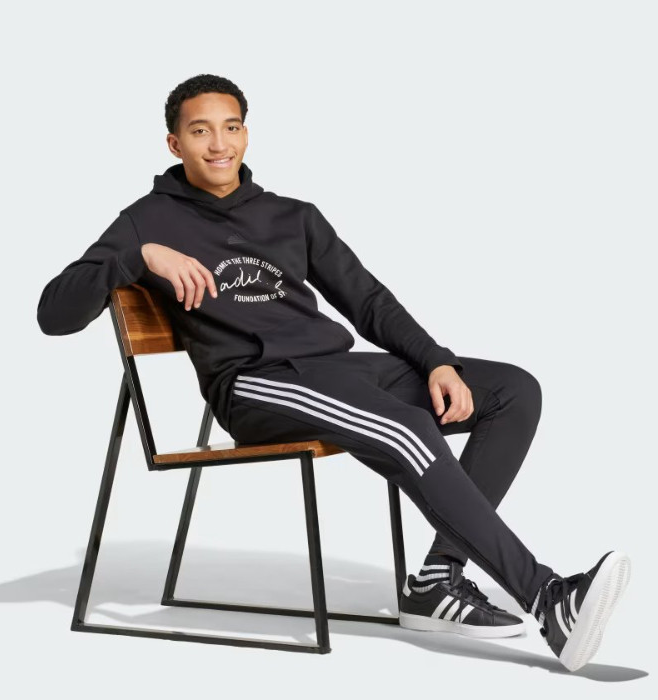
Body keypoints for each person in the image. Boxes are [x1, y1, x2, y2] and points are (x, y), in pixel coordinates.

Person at [36, 73, 630, 672]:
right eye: (200, 131)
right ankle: (549, 599)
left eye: (231, 127)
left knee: (511, 391)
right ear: (174, 143)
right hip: (255, 384)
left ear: (246, 133)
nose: (219, 144)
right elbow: (53, 314)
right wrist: (139, 256)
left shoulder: (292, 216)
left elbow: (368, 302)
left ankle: (436, 581)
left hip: (334, 370)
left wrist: (436, 361)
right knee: (404, 430)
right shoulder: (147, 221)